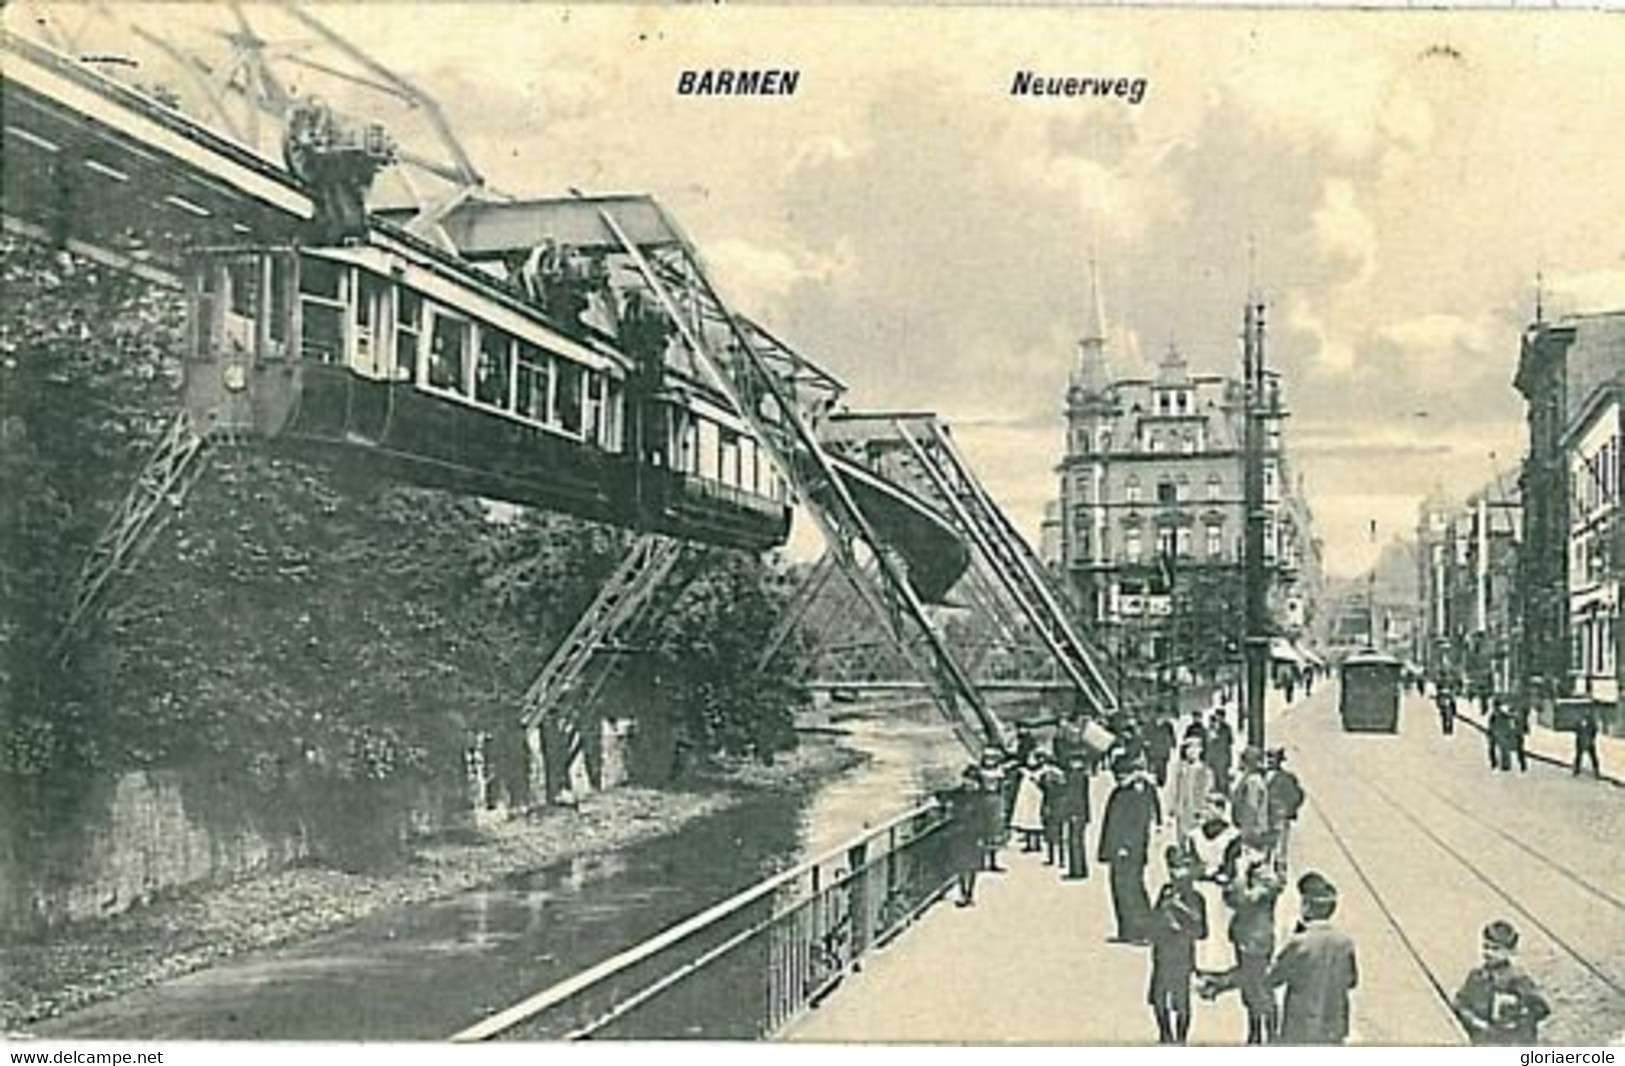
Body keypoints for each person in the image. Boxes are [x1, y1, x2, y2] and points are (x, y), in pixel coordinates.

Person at [1201, 832, 1283, 1044]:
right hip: (1245, 937)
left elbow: (1244, 900)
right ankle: (1254, 1032)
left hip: (1257, 940)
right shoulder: (1253, 873)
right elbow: (1232, 898)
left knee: (1259, 987)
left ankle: (1271, 1034)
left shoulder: (1267, 878)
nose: (1244, 855)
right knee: (1250, 989)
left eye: (1249, 851)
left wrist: (1237, 876)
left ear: (1262, 853)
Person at [1268, 872, 1359, 1044]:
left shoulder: (1299, 942)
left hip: (1301, 1027)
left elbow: (1273, 978)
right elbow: (1352, 981)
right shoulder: (1345, 942)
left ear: (1307, 906)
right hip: (1334, 1027)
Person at [1453, 919, 1551, 1045]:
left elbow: (1541, 1009)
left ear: (1511, 952)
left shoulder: (1519, 979)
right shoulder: (1476, 977)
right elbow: (1460, 1003)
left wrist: (1518, 1012)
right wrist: (1474, 1020)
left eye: (1496, 949)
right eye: (1486, 947)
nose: (1488, 953)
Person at [1147, 847, 1209, 1044]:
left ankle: (1181, 1038)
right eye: (1173, 868)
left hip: (1182, 954)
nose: (1175, 874)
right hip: (1162, 952)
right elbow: (1153, 920)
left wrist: (1180, 912)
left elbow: (1202, 931)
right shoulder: (1165, 892)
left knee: (1181, 1000)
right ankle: (1165, 1033)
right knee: (1158, 996)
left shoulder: (1197, 899)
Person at [1098, 755, 1162, 943]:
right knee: (1121, 889)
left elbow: (1135, 824)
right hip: (1121, 848)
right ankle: (1126, 929)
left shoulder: (1134, 792)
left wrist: (1125, 846)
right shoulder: (1125, 791)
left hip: (1128, 849)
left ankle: (1140, 929)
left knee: (1131, 889)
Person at [1170, 735, 1215, 848]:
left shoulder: (1205, 771)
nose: (1191, 752)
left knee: (1196, 837)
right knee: (1181, 836)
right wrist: (1173, 806)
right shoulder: (1180, 769)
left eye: (1195, 748)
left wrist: (1205, 808)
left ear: (1200, 750)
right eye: (1188, 748)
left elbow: (1208, 791)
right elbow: (1174, 787)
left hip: (1197, 808)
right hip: (1183, 808)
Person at [1265, 749, 1305, 875]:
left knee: (1280, 846)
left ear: (1279, 762)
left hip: (1279, 817)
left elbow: (1297, 795)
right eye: (1269, 759)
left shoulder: (1287, 778)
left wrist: (1289, 810)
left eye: (1273, 759)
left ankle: (1280, 869)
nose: (1270, 762)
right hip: (1263, 816)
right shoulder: (1260, 776)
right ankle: (1264, 865)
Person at [1060, 754, 1093, 880]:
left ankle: (1077, 870)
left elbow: (1077, 797)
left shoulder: (1076, 777)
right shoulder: (1080, 776)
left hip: (1077, 812)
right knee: (1076, 842)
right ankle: (1079, 869)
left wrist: (1074, 812)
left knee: (1075, 842)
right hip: (1080, 813)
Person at [1231, 748, 1271, 844]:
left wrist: (1246, 832)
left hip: (1251, 829)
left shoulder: (1253, 781)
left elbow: (1251, 807)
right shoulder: (1249, 778)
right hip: (1250, 827)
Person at [1010, 754, 1046, 852]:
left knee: (1037, 819)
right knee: (1027, 820)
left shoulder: (1042, 772)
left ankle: (1037, 843)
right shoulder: (1024, 772)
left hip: (1037, 798)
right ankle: (1030, 843)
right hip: (1027, 799)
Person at [1206, 710, 1236, 797]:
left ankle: (1225, 796)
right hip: (1215, 757)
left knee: (1223, 779)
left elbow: (1229, 742)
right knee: (1215, 779)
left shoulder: (1226, 728)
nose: (1218, 719)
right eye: (1217, 716)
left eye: (1220, 716)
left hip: (1223, 757)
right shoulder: (1212, 728)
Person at [1574, 705, 1602, 778]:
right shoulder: (1579, 720)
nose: (1586, 712)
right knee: (1579, 755)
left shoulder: (1591, 721)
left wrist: (1592, 738)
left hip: (1589, 740)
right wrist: (1579, 737)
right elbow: (1577, 729)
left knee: (1593, 756)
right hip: (1581, 740)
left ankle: (1596, 771)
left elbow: (1595, 730)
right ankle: (1576, 769)